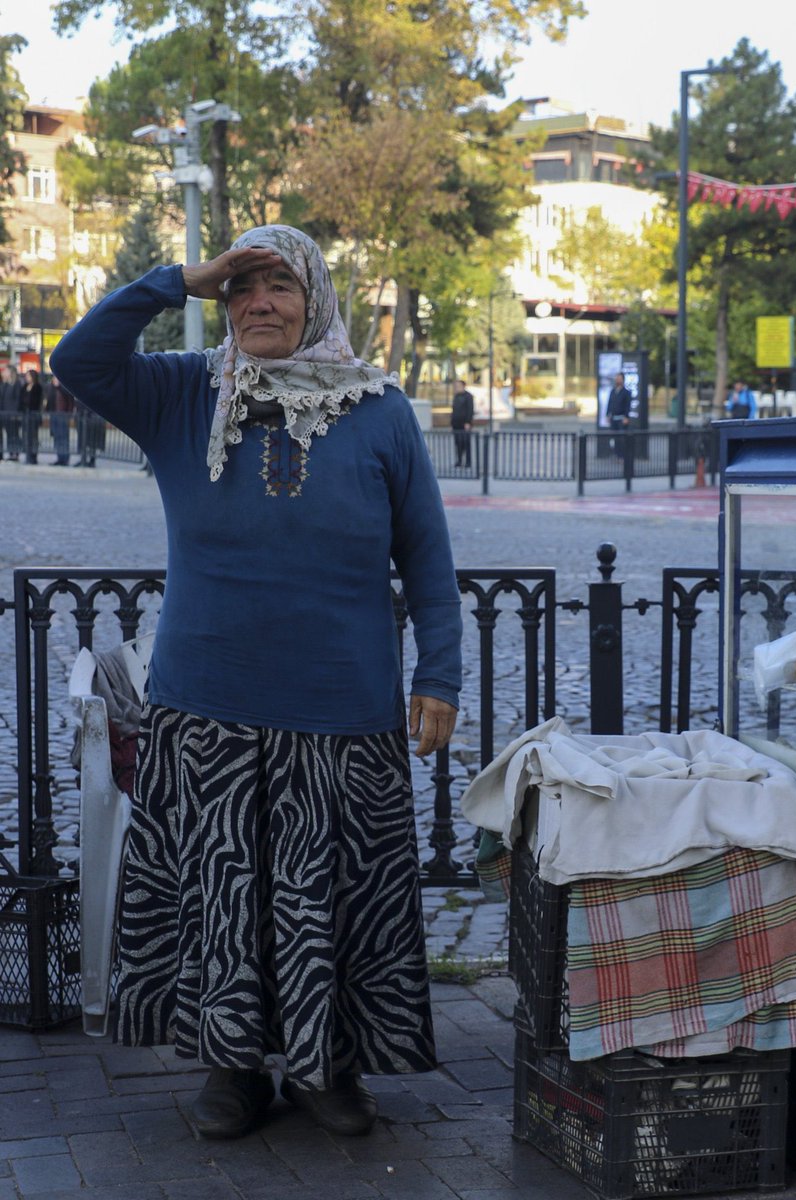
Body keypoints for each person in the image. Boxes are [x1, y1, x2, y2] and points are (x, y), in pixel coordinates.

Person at [51, 224, 463, 1141]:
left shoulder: (381, 411)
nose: (259, 302)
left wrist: (440, 673)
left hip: (342, 714)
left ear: (315, 298)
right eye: (242, 288)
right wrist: (177, 280)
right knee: (223, 897)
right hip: (209, 710)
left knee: (338, 903)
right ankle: (232, 1069)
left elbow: (427, 562)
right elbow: (76, 358)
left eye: (279, 284)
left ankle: (330, 1070)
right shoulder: (184, 395)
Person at [607, 372, 633, 465]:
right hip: (613, 418)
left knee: (622, 438)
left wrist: (626, 417)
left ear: (623, 380)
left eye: (619, 378)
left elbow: (628, 406)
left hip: (621, 418)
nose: (617, 380)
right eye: (616, 378)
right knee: (615, 438)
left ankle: (623, 456)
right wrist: (608, 414)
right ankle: (617, 455)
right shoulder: (613, 391)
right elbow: (609, 403)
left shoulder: (626, 392)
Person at [47, 375, 74, 465]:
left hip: (62, 415)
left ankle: (65, 458)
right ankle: (59, 458)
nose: (54, 379)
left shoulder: (64, 386)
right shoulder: (52, 387)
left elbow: (69, 397)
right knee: (57, 437)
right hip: (54, 415)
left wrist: (58, 386)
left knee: (63, 438)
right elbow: (49, 399)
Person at [19, 368, 43, 465]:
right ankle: (28, 455)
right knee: (26, 435)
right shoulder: (24, 386)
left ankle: (33, 456)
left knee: (33, 437)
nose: (26, 378)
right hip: (25, 414)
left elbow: (36, 401)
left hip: (33, 414)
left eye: (28, 376)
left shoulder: (38, 387)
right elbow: (21, 399)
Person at [450, 379, 474, 467]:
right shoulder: (456, 396)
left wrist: (468, 422)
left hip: (465, 424)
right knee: (458, 443)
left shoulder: (468, 396)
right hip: (456, 424)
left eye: (458, 386)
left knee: (466, 443)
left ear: (463, 386)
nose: (456, 387)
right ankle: (459, 461)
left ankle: (468, 462)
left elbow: (470, 410)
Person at [0, 366, 20, 460]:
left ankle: (15, 453)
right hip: (4, 414)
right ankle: (11, 452)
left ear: (11, 372)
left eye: (5, 371)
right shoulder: (5, 384)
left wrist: (15, 413)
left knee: (14, 434)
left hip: (13, 414)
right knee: (8, 434)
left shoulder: (16, 384)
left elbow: (17, 399)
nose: (3, 373)